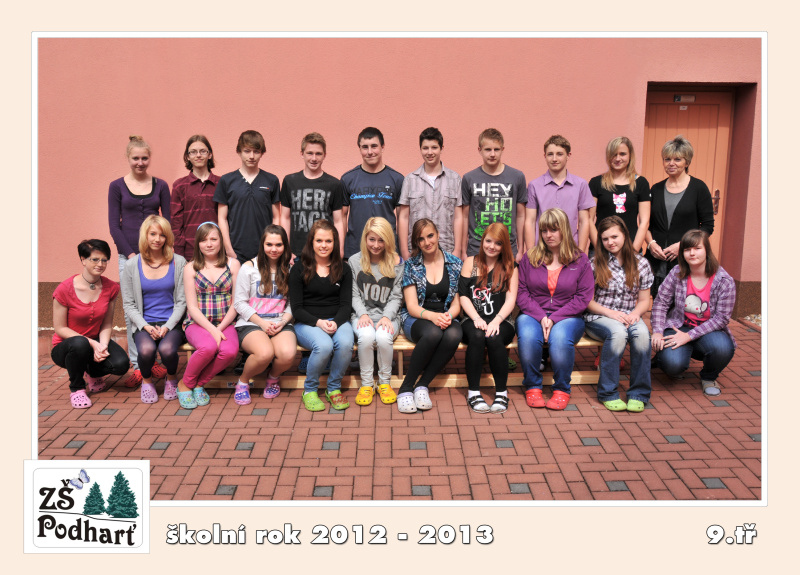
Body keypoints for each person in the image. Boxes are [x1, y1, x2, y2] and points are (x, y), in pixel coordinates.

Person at [107, 135, 171, 386]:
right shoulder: (116, 186)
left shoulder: (161, 185)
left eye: (144, 158)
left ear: (149, 158)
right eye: (136, 158)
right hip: (130, 257)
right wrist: (131, 255)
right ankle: (137, 364)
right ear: (128, 158)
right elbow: (115, 225)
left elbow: (167, 222)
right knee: (132, 310)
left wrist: (163, 253)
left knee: (159, 305)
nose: (140, 162)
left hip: (157, 256)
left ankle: (154, 360)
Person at [516, 208, 593, 410]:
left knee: (559, 338)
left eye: (554, 230)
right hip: (533, 314)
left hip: (569, 316)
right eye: (544, 230)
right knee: (528, 336)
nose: (548, 235)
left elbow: (583, 297)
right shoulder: (530, 257)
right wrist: (541, 316)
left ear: (564, 230)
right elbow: (521, 293)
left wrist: (555, 317)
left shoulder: (580, 259)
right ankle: (533, 386)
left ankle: (561, 389)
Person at [651, 229, 736, 397]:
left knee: (722, 348)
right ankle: (665, 359)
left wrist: (689, 336)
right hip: (678, 326)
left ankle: (709, 377)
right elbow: (661, 303)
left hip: (709, 331)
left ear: (707, 251)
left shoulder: (724, 281)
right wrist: (658, 331)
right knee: (672, 365)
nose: (692, 253)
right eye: (687, 249)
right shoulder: (677, 272)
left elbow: (722, 318)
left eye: (697, 248)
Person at [584, 216, 654, 412]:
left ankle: (638, 393)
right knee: (618, 333)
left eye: (614, 237)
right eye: (605, 239)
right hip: (599, 317)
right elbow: (588, 302)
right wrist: (611, 313)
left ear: (624, 235)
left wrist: (635, 314)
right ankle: (608, 392)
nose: (610, 242)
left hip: (629, 315)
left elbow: (644, 301)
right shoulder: (594, 263)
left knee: (642, 335)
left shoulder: (641, 264)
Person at [51, 239, 130, 409]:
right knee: (80, 344)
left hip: (95, 340)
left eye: (104, 260)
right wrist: (92, 343)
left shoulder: (111, 288)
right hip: (67, 346)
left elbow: (107, 324)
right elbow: (60, 328)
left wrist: (102, 346)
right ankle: (77, 388)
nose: (100, 264)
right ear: (83, 259)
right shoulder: (64, 289)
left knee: (121, 365)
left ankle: (92, 372)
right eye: (95, 259)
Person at [398, 219, 462, 414]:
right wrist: (433, 317)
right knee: (433, 333)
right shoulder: (411, 265)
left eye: (430, 236)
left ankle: (422, 385)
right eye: (421, 239)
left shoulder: (455, 263)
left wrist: (448, 316)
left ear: (438, 234)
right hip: (416, 318)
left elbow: (457, 303)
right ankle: (406, 388)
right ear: (416, 243)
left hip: (445, 315)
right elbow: (411, 306)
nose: (427, 242)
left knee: (454, 334)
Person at [289, 219, 354, 411]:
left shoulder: (343, 268)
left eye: (328, 241)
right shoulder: (298, 269)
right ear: (311, 242)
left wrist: (336, 322)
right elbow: (296, 309)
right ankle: (310, 390)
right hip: (307, 322)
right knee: (324, 346)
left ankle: (333, 389)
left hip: (337, 319)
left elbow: (346, 305)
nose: (323, 245)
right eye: (319, 241)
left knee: (345, 343)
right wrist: (318, 322)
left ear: (335, 243)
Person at [121, 215, 187, 404]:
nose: (157, 239)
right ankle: (147, 382)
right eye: (153, 234)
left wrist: (167, 327)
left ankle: (171, 378)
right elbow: (129, 304)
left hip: (171, 322)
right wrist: (146, 326)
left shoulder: (178, 262)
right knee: (146, 350)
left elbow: (182, 301)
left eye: (162, 235)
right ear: (145, 235)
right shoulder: (132, 265)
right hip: (144, 323)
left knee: (167, 350)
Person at [233, 225, 297, 405]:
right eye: (269, 244)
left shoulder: (290, 269)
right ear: (262, 244)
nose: (273, 249)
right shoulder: (249, 267)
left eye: (278, 245)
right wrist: (261, 323)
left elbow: (293, 303)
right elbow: (239, 303)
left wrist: (283, 321)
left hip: (280, 321)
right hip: (252, 322)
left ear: (285, 246)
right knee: (264, 353)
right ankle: (243, 381)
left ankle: (273, 377)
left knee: (287, 354)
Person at [458, 222, 519, 413]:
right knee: (477, 336)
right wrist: (476, 318)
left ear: (504, 246)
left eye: (498, 243)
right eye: (488, 241)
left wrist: (496, 321)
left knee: (493, 337)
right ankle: (473, 392)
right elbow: (463, 296)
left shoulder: (510, 266)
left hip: (502, 320)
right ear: (482, 240)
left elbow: (511, 299)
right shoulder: (471, 262)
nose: (492, 246)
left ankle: (501, 392)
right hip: (472, 318)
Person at [179, 222, 241, 409]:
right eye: (204, 240)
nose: (209, 244)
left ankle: (198, 383)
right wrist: (212, 330)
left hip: (225, 322)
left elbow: (236, 303)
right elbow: (192, 307)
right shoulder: (191, 268)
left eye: (213, 239)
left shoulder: (233, 264)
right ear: (198, 243)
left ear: (221, 241)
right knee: (207, 347)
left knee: (230, 351)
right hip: (197, 323)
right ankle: (185, 384)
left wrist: (219, 328)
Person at [645, 135, 715, 296]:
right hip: (657, 260)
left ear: (687, 162)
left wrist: (683, 245)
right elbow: (646, 223)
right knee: (658, 302)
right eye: (667, 159)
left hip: (686, 260)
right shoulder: (656, 189)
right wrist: (651, 244)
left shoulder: (699, 188)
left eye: (677, 159)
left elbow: (707, 226)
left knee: (685, 302)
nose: (671, 163)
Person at [349, 217, 403, 406]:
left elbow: (396, 297)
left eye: (381, 240)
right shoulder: (354, 261)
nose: (376, 245)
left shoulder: (396, 262)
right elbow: (354, 294)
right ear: (365, 238)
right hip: (361, 315)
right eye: (372, 239)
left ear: (388, 240)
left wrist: (387, 317)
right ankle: (366, 384)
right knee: (366, 336)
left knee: (382, 337)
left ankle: (384, 383)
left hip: (389, 317)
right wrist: (362, 314)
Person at [397, 127, 464, 260]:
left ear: (441, 148)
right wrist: (404, 251)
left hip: (447, 249)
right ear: (420, 149)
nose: (430, 152)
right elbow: (403, 217)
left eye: (434, 147)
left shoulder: (454, 179)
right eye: (425, 148)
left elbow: (458, 217)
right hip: (416, 250)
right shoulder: (410, 180)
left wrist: (457, 250)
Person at [214, 130, 281, 262]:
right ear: (239, 152)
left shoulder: (272, 180)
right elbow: (222, 218)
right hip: (236, 251)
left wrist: (271, 247)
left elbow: (276, 217)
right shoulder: (226, 181)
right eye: (247, 151)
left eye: (256, 151)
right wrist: (228, 250)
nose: (251, 156)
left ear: (262, 153)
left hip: (265, 251)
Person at [460, 128, 527, 261]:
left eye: (496, 149)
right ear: (479, 150)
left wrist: (520, 250)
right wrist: (463, 250)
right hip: (476, 249)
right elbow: (465, 216)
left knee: (508, 276)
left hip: (508, 249)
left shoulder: (517, 177)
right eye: (487, 150)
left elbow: (521, 215)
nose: (492, 154)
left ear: (503, 149)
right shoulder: (469, 178)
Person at [279, 132, 345, 262]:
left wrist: (339, 250)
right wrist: (286, 248)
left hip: (325, 253)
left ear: (324, 155)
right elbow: (285, 217)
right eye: (309, 153)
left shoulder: (334, 184)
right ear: (302, 154)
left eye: (318, 154)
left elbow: (338, 221)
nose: (314, 158)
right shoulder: (290, 181)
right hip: (296, 253)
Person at [525, 134, 595, 256]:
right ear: (545, 156)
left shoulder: (580, 184)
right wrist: (531, 252)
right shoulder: (534, 185)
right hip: (542, 251)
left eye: (559, 154)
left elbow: (584, 221)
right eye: (550, 154)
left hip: (571, 251)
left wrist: (581, 253)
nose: (554, 159)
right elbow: (530, 221)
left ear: (568, 155)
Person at [341, 127, 404, 259]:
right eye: (365, 147)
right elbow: (341, 218)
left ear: (382, 147)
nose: (370, 152)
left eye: (374, 146)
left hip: (387, 251)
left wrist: (402, 252)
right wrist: (340, 249)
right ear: (359, 149)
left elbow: (402, 218)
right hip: (355, 252)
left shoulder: (397, 179)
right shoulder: (348, 179)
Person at [588, 136, 651, 252]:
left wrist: (633, 252)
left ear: (630, 155)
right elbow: (589, 220)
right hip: (600, 250)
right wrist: (600, 250)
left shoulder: (641, 183)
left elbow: (644, 222)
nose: (618, 158)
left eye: (622, 154)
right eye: (614, 154)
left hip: (630, 249)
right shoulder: (596, 183)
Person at [171, 135, 221, 260]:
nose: (198, 155)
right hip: (190, 252)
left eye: (203, 151)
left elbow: (227, 220)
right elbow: (176, 224)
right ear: (187, 156)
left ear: (210, 154)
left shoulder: (222, 183)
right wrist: (180, 255)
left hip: (218, 251)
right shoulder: (179, 186)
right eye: (193, 152)